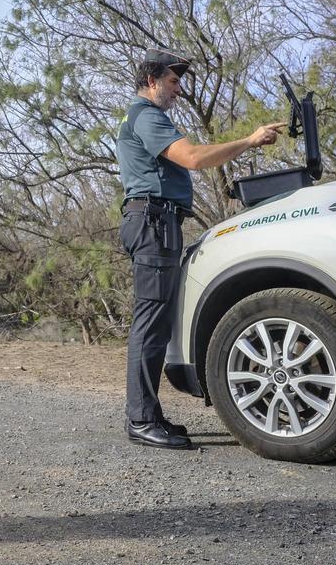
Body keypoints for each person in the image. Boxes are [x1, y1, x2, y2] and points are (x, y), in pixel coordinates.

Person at [116, 48, 285, 449]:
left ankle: (148, 415)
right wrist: (250, 140)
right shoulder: (146, 114)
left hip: (155, 221)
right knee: (150, 323)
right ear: (152, 81)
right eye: (173, 82)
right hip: (153, 223)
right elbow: (192, 158)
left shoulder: (139, 116)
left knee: (156, 322)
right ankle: (141, 420)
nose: (178, 90)